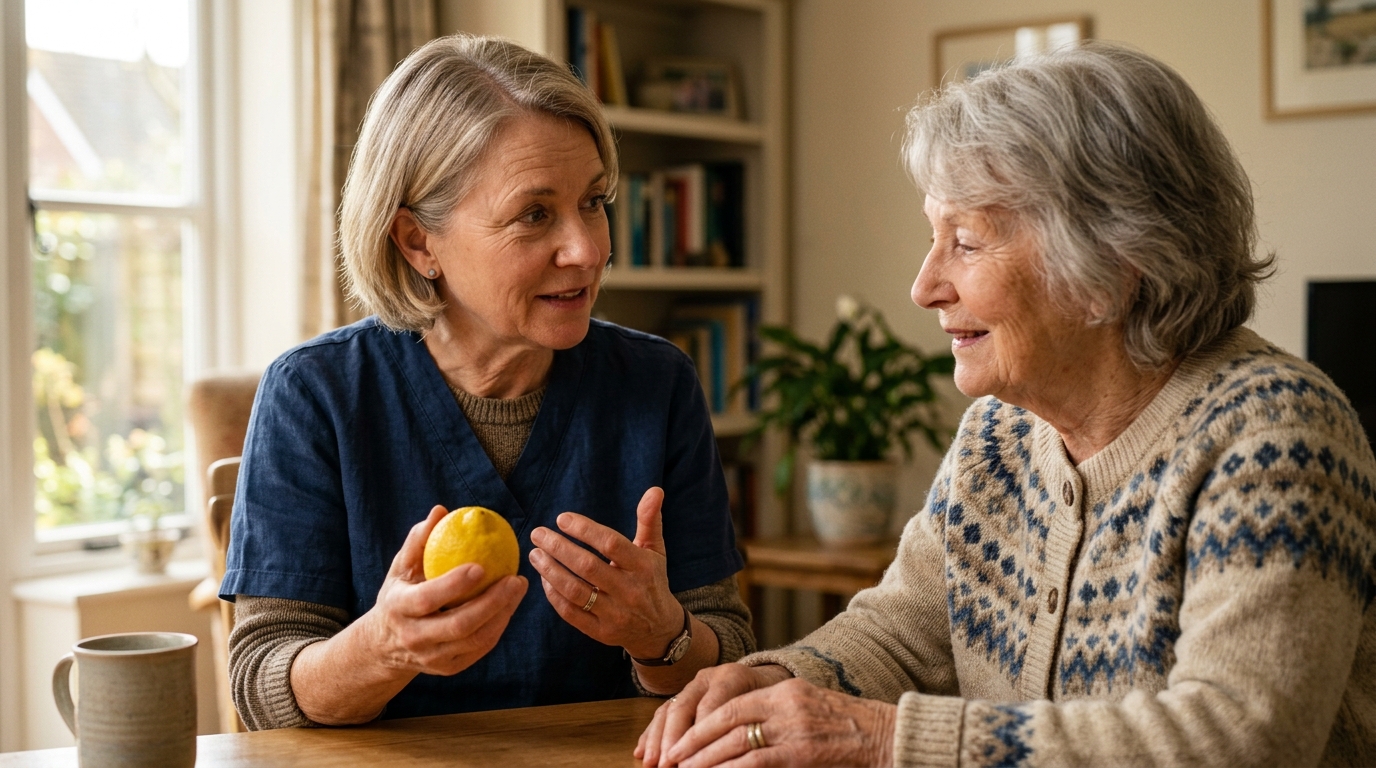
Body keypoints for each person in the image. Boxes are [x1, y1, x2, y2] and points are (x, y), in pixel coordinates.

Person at [639, 42, 1376, 768]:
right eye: (935, 238)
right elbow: (905, 632)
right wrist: (776, 681)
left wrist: (884, 739)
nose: (924, 287)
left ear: (1113, 266)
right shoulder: (1002, 431)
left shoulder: (1275, 436)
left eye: (965, 242)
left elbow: (1242, 741)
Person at [221, 34, 755, 730]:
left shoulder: (657, 384)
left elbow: (732, 651)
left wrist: (663, 634)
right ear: (418, 242)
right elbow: (261, 683)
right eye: (535, 214)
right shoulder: (315, 393)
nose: (589, 249)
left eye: (594, 202)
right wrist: (384, 647)